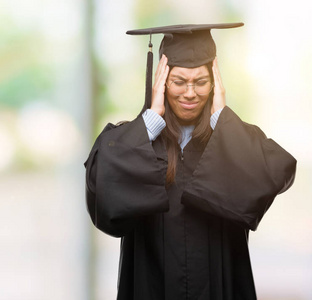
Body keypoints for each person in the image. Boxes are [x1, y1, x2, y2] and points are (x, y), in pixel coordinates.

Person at [84, 23, 296, 300]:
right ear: (161, 81)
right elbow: (102, 189)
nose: (190, 93)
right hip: (152, 285)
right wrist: (151, 120)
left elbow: (276, 170)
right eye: (179, 81)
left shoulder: (232, 139)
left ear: (215, 82)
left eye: (201, 81)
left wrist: (221, 117)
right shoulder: (136, 140)